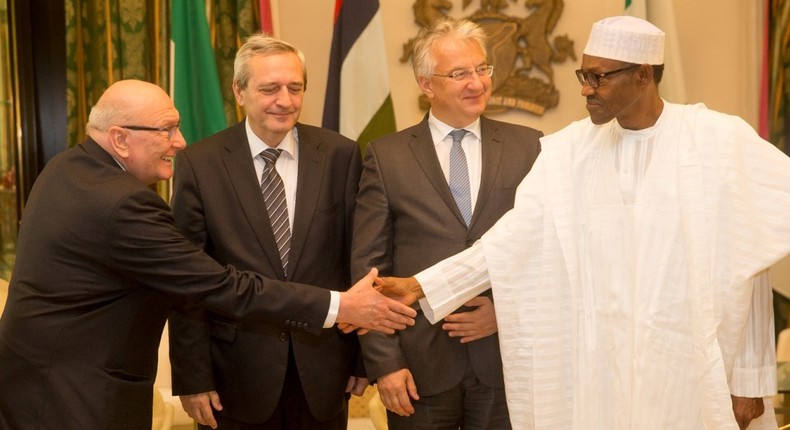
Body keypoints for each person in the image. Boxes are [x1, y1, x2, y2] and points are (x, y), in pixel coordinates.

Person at [375, 16, 790, 430]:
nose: (585, 89)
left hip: (683, 377)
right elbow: (509, 240)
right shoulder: (570, 151)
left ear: (643, 75)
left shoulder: (717, 140)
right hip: (599, 378)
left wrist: (749, 381)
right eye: (583, 75)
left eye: (598, 77)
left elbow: (752, 262)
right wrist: (420, 286)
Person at [0, 79, 416, 430]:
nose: (179, 143)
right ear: (120, 139)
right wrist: (341, 304)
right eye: (166, 130)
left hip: (36, 382)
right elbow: (219, 285)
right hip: (75, 396)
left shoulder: (67, 168)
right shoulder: (124, 204)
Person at [351, 18, 542, 430]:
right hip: (419, 370)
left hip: (504, 363)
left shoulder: (530, 147)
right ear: (426, 83)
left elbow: (546, 256)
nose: (476, 82)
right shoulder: (386, 156)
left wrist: (507, 313)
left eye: (481, 69)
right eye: (459, 73)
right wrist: (385, 364)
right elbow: (369, 272)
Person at [167, 35, 364, 430]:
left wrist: (363, 358)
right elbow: (187, 280)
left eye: (295, 88)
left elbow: (355, 260)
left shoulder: (341, 155)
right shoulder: (199, 164)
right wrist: (192, 378)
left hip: (324, 370)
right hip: (234, 375)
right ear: (239, 91)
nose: (285, 100)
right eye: (270, 88)